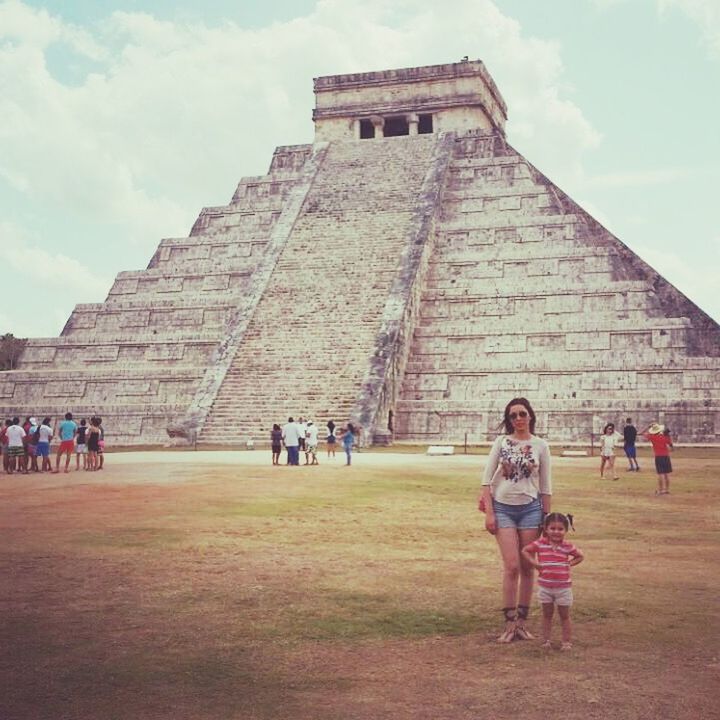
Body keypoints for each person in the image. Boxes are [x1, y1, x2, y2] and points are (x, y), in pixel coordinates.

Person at [479, 397, 552, 643]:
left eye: (522, 414)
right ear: (509, 420)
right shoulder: (501, 442)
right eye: (513, 416)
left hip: (531, 509)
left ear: (530, 415)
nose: (518, 419)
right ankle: (509, 623)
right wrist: (489, 513)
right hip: (503, 508)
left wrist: (546, 517)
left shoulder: (541, 445)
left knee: (527, 566)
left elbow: (545, 485)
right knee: (511, 566)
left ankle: (522, 623)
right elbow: (486, 481)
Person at [522, 512, 584, 651]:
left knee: (564, 615)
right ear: (545, 528)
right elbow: (525, 550)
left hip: (563, 588)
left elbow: (580, 556)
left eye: (560, 529)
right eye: (553, 528)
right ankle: (546, 640)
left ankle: (566, 642)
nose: (556, 532)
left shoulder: (567, 546)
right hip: (545, 587)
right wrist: (535, 564)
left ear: (566, 530)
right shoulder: (540, 544)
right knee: (547, 614)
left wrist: (570, 564)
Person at [643, 422, 673, 495]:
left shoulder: (652, 437)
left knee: (661, 474)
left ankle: (661, 490)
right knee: (666, 474)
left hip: (658, 456)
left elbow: (642, 433)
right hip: (666, 456)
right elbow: (671, 446)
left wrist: (648, 427)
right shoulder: (665, 437)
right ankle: (666, 489)